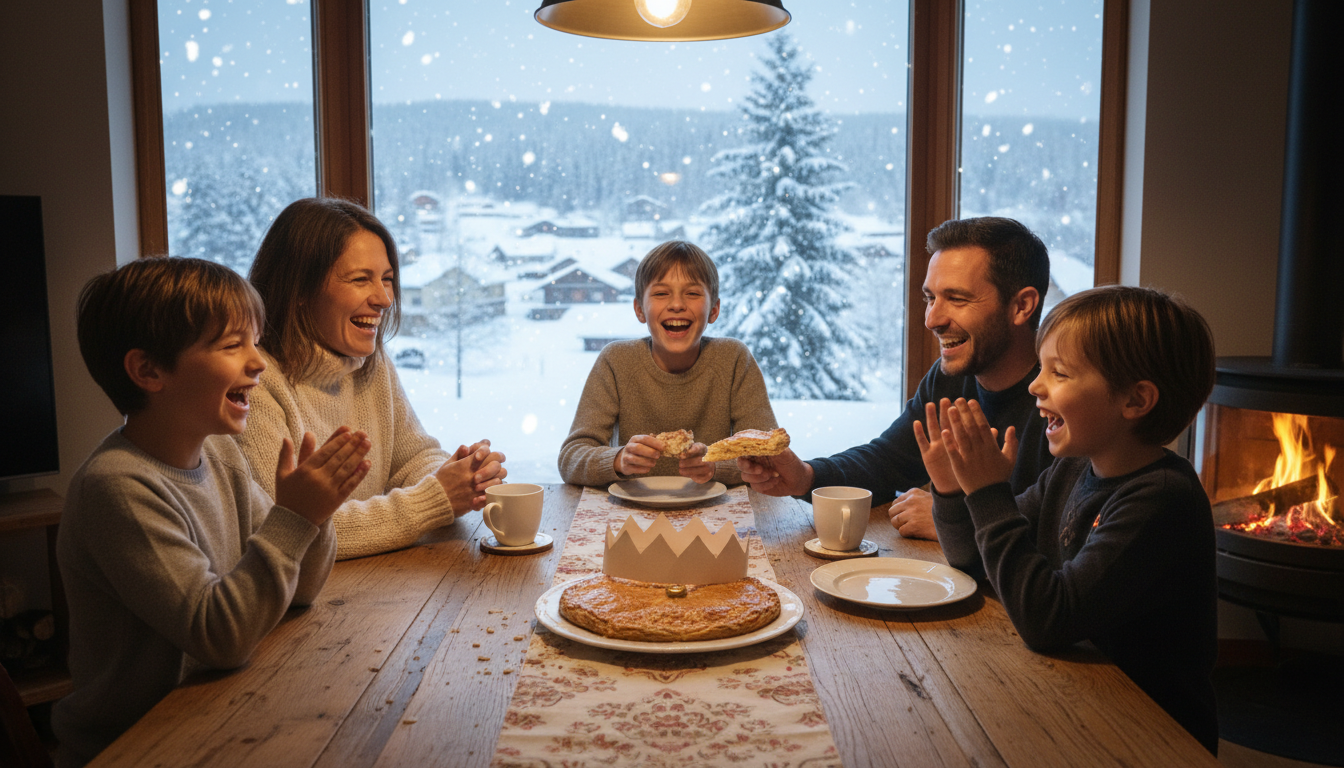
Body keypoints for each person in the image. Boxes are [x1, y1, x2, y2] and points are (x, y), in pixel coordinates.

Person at [55, 257, 372, 767]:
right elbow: (219, 637)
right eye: (232, 345)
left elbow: (300, 593)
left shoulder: (218, 453)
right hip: (136, 746)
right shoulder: (117, 487)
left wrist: (315, 514)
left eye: (255, 340)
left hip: (214, 714)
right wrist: (294, 518)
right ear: (149, 371)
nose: (259, 361)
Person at [918, 285, 1219, 754]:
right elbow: (976, 564)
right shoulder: (1074, 468)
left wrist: (988, 492)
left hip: (1150, 738)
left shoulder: (1162, 500)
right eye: (1041, 368)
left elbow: (1047, 619)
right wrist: (953, 492)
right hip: (1077, 698)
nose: (1036, 385)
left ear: (1135, 400)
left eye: (1059, 372)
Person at [739, 217, 1054, 540]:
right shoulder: (949, 381)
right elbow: (888, 461)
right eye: (930, 298)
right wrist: (806, 476)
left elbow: (1070, 535)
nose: (932, 319)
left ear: (1022, 306)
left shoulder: (1065, 401)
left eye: (957, 299)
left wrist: (953, 523)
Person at [239, 197, 507, 560]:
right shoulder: (252, 384)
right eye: (360, 279)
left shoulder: (371, 363)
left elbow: (412, 459)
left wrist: (452, 475)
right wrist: (435, 498)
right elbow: (288, 532)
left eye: (387, 279)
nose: (384, 299)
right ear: (299, 289)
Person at [558, 240, 777, 486]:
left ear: (714, 310)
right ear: (639, 309)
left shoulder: (733, 359)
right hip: (632, 516)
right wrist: (619, 459)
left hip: (715, 517)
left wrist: (715, 465)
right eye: (661, 293)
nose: (676, 305)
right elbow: (571, 458)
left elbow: (767, 455)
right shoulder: (616, 362)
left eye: (692, 293)